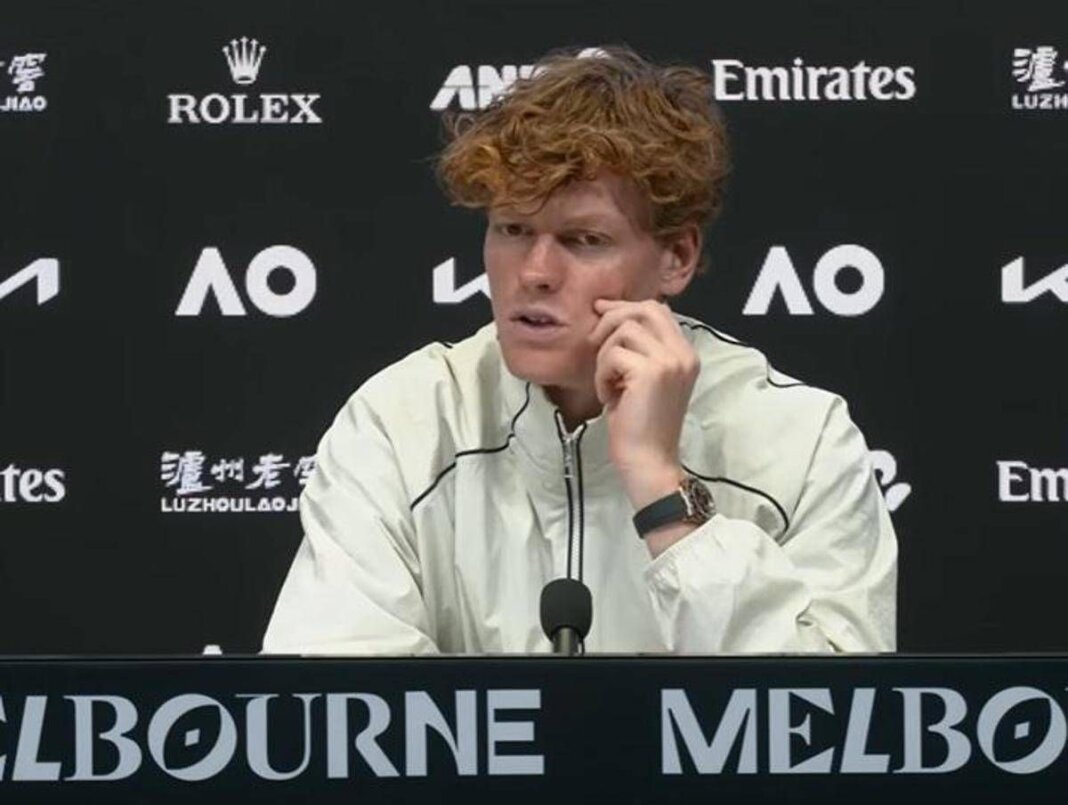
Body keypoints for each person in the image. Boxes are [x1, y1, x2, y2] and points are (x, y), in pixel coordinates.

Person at [262, 47, 897, 655]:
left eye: (584, 239)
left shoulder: (801, 441)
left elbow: (829, 717)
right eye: (513, 229)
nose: (535, 272)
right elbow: (335, 708)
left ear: (676, 257)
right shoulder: (402, 425)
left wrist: (662, 488)